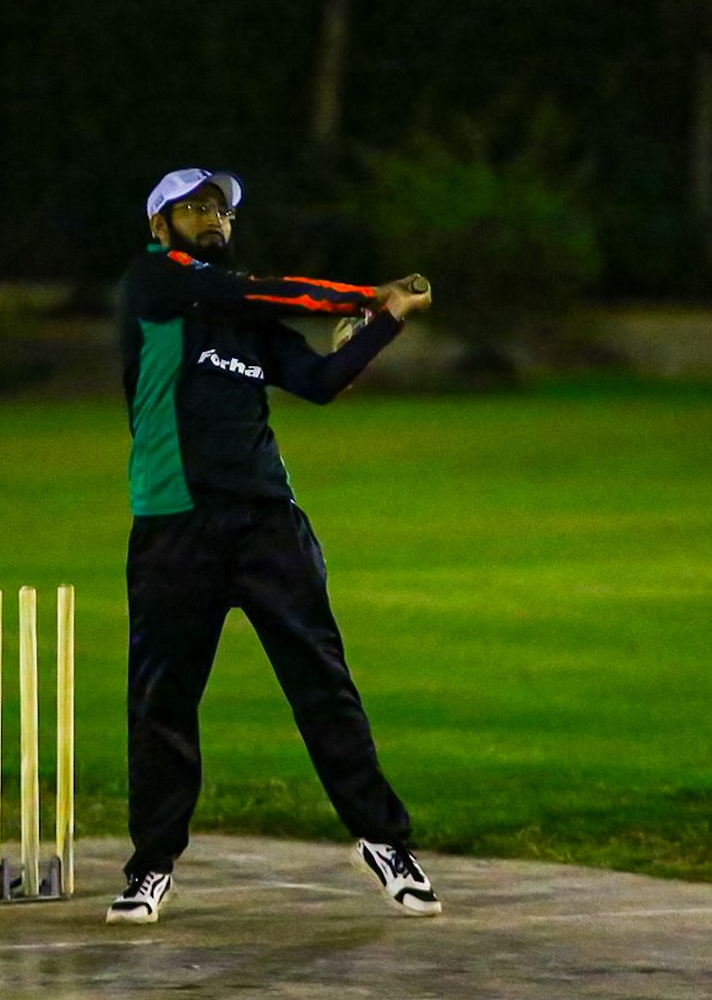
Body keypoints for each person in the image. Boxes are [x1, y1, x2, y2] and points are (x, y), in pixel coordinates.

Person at [108, 167, 441, 924]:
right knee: (163, 701)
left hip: (267, 522)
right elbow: (265, 293)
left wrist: (386, 324)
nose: (213, 217)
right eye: (194, 207)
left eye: (222, 209)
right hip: (174, 522)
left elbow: (320, 380)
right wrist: (369, 295)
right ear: (160, 227)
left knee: (323, 684)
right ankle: (151, 865)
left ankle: (383, 841)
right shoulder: (155, 282)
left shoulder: (246, 320)